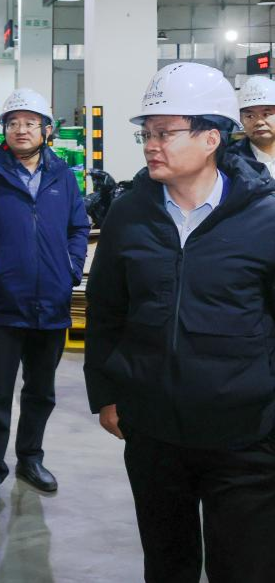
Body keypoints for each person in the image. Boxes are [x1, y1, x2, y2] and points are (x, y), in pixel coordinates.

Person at [85, 61, 275, 583]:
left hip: (244, 436)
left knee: (246, 568)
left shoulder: (264, 217)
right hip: (153, 432)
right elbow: (106, 310)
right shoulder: (129, 214)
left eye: (165, 132)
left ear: (211, 138)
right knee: (167, 565)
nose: (150, 145)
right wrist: (106, 393)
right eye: (146, 133)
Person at [0, 88, 90, 512]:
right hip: (2, 303)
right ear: (4, 130)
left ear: (47, 130)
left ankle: (30, 459)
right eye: (13, 122)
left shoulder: (62, 175)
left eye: (31, 122)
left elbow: (78, 226)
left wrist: (71, 267)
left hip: (52, 300)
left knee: (41, 391)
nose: (21, 129)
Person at [228, 75, 275, 175]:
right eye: (250, 116)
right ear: (240, 119)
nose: (259, 122)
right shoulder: (230, 162)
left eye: (266, 114)